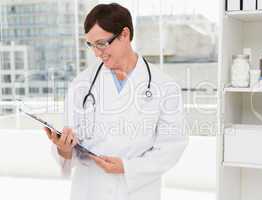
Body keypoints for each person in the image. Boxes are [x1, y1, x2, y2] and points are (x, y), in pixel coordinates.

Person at [44, 3, 188, 200]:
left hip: (136, 191)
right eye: (91, 45)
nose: (96, 52)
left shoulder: (164, 86)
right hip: (89, 189)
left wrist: (128, 168)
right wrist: (64, 148)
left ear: (124, 35)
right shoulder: (82, 84)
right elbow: (69, 145)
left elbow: (172, 146)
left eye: (101, 43)